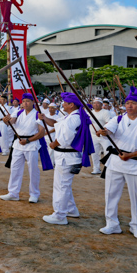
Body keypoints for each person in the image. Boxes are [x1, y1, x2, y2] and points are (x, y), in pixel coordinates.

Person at [95, 87, 137, 239]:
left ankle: (136, 226)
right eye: (127, 103)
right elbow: (109, 129)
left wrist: (131, 155)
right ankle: (112, 224)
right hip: (115, 162)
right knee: (111, 194)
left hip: (136, 164)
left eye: (133, 103)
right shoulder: (118, 119)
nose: (129, 106)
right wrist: (104, 131)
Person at [41, 93, 95, 225]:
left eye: (65, 102)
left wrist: (54, 144)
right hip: (65, 156)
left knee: (61, 187)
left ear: (71, 105)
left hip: (67, 156)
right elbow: (56, 124)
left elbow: (66, 138)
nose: (62, 104)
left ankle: (59, 215)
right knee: (64, 185)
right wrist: (43, 117)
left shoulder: (73, 119)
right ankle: (71, 209)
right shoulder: (70, 117)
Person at [0, 93, 48, 203]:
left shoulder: (37, 114)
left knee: (33, 170)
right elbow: (10, 122)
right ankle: (13, 193)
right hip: (18, 143)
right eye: (23, 101)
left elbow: (41, 132)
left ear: (33, 103)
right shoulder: (18, 112)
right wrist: (5, 120)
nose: (25, 103)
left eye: (28, 101)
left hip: (31, 143)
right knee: (15, 168)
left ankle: (34, 194)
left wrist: (28, 140)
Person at [89, 97, 112, 175]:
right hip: (93, 136)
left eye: (98, 103)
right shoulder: (90, 112)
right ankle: (96, 168)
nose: (96, 105)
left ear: (101, 104)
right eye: (94, 103)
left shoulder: (105, 112)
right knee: (94, 153)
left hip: (104, 136)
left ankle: (107, 169)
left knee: (107, 152)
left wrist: (100, 131)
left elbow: (109, 123)